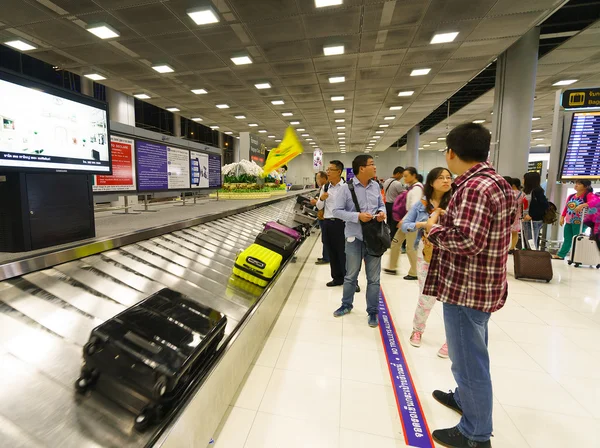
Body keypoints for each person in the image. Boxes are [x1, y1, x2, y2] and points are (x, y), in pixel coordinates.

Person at [423, 123, 515, 448]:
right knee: (472, 352)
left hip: (466, 289)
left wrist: (433, 230)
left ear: (451, 152)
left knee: (468, 361)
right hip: (483, 285)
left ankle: (475, 434)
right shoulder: (497, 182)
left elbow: (468, 240)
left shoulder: (475, 187)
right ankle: (464, 399)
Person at [402, 167, 453, 358]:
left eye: (449, 177)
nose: (446, 181)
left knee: (451, 299)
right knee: (426, 295)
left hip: (452, 255)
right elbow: (405, 225)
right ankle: (418, 330)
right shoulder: (421, 205)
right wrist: (422, 224)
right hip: (427, 253)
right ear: (431, 182)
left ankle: (452, 340)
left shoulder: (457, 203)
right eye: (441, 178)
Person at [332, 155, 386, 328]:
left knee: (374, 279)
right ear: (361, 168)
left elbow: (381, 204)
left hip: (374, 238)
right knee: (350, 276)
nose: (375, 167)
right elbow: (336, 211)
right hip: (354, 238)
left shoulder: (375, 185)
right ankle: (346, 304)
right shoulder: (346, 189)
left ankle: (372, 312)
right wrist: (358, 216)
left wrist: (381, 213)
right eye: (372, 164)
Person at [317, 160, 359, 292]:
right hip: (328, 223)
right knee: (332, 251)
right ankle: (337, 278)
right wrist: (321, 199)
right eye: (327, 169)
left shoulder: (347, 187)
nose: (328, 172)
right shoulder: (325, 187)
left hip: (343, 224)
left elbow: (352, 207)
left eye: (331, 169)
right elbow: (319, 206)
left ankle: (352, 281)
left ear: (339, 172)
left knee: (346, 253)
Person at [384, 167, 424, 280]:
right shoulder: (412, 188)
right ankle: (392, 267)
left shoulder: (416, 189)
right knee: (395, 242)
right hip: (407, 221)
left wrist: (404, 220)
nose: (404, 178)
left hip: (413, 222)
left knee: (411, 247)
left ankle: (414, 272)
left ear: (414, 175)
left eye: (406, 176)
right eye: (404, 175)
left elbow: (414, 208)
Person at [554, 179, 595, 260]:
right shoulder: (571, 196)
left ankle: (578, 257)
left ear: (585, 186)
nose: (576, 185)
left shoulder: (588, 195)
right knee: (567, 238)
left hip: (580, 221)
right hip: (569, 220)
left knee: (577, 240)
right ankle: (561, 254)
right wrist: (562, 217)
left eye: (579, 184)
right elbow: (566, 207)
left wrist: (582, 205)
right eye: (576, 183)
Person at [522, 171, 548, 250]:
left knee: (531, 241)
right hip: (526, 219)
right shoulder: (528, 191)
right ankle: (530, 258)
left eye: (524, 178)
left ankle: (533, 259)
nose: (522, 180)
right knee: (529, 241)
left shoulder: (537, 191)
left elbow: (544, 205)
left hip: (533, 220)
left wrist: (532, 215)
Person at [311, 171, 330, 265]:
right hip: (322, 216)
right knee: (325, 238)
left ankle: (327, 258)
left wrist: (316, 202)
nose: (317, 180)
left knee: (326, 238)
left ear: (323, 178)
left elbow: (322, 205)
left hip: (324, 216)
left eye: (318, 178)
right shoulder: (324, 187)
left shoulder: (326, 187)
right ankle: (325, 256)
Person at [383, 166, 405, 233]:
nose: (402, 177)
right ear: (398, 173)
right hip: (395, 206)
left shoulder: (386, 181)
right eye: (402, 175)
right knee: (395, 224)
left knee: (389, 223)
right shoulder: (397, 183)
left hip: (387, 205)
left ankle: (390, 238)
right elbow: (403, 195)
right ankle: (395, 240)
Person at [506, 177, 524, 254]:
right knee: (515, 232)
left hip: (508, 213)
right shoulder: (522, 194)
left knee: (506, 232)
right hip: (517, 214)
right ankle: (512, 247)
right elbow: (523, 205)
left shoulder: (508, 192)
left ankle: (506, 247)